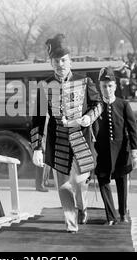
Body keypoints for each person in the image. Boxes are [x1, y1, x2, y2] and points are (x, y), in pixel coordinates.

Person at [31, 33, 102, 233]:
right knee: (62, 186)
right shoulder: (44, 86)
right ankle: (71, 223)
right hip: (57, 142)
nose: (60, 64)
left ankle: (82, 207)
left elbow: (98, 105)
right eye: (56, 61)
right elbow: (37, 118)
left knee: (80, 182)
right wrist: (37, 147)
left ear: (70, 60)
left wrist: (89, 117)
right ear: (51, 62)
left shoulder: (85, 81)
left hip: (81, 139)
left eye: (63, 60)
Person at [92, 67, 137, 225]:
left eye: (110, 85)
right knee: (103, 182)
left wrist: (136, 153)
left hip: (121, 152)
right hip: (103, 152)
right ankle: (111, 217)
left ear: (115, 86)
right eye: (104, 86)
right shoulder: (96, 107)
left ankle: (122, 214)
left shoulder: (123, 105)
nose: (107, 89)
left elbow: (133, 129)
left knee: (122, 183)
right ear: (100, 87)